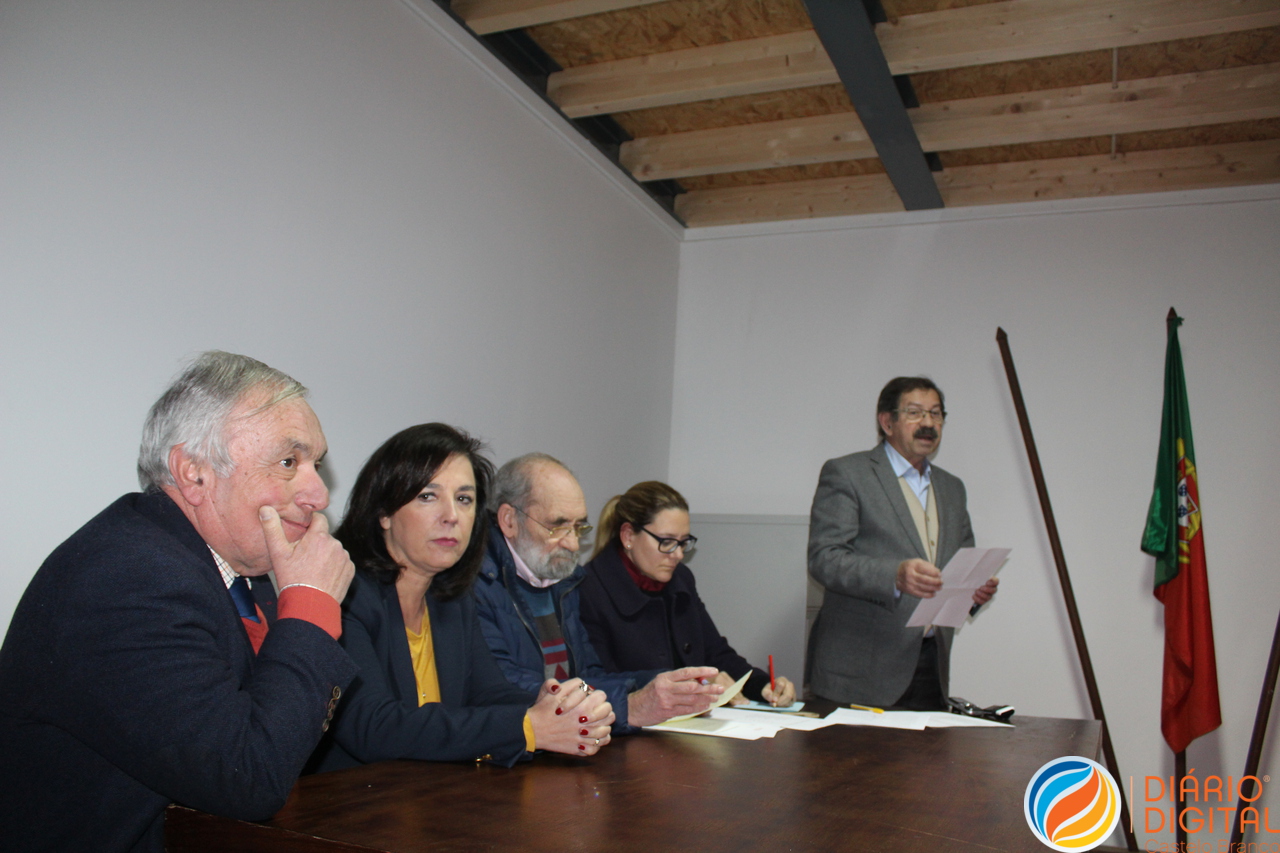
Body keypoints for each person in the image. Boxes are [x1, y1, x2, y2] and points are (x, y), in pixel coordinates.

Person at [0, 351, 357, 853]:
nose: (319, 494)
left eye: (315, 464)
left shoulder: (237, 576)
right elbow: (249, 778)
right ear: (193, 473)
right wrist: (312, 607)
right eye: (288, 462)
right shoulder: (128, 577)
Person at [309, 424, 614, 772]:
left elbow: (488, 693)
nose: (452, 516)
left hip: (432, 793)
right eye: (428, 496)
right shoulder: (342, 593)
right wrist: (527, 727)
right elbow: (374, 726)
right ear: (384, 512)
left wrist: (556, 708)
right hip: (349, 798)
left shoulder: (451, 597)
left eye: (464, 499)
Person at [471, 453, 724, 729]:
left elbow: (586, 679)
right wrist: (630, 706)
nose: (573, 544)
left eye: (578, 527)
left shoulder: (564, 583)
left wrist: (661, 685)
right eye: (557, 527)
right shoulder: (473, 585)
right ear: (509, 520)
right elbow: (505, 687)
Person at [807, 376, 998, 710]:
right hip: (858, 674)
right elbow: (825, 559)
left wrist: (973, 592)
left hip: (930, 668)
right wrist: (894, 576)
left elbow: (960, 564)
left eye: (936, 414)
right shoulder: (848, 473)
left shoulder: (952, 488)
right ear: (887, 422)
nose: (928, 423)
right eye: (915, 412)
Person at [579, 481, 796, 707]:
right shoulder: (588, 589)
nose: (678, 554)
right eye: (667, 542)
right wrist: (694, 683)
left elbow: (716, 653)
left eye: (683, 543)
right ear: (628, 536)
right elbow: (593, 683)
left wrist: (762, 685)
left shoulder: (680, 579)